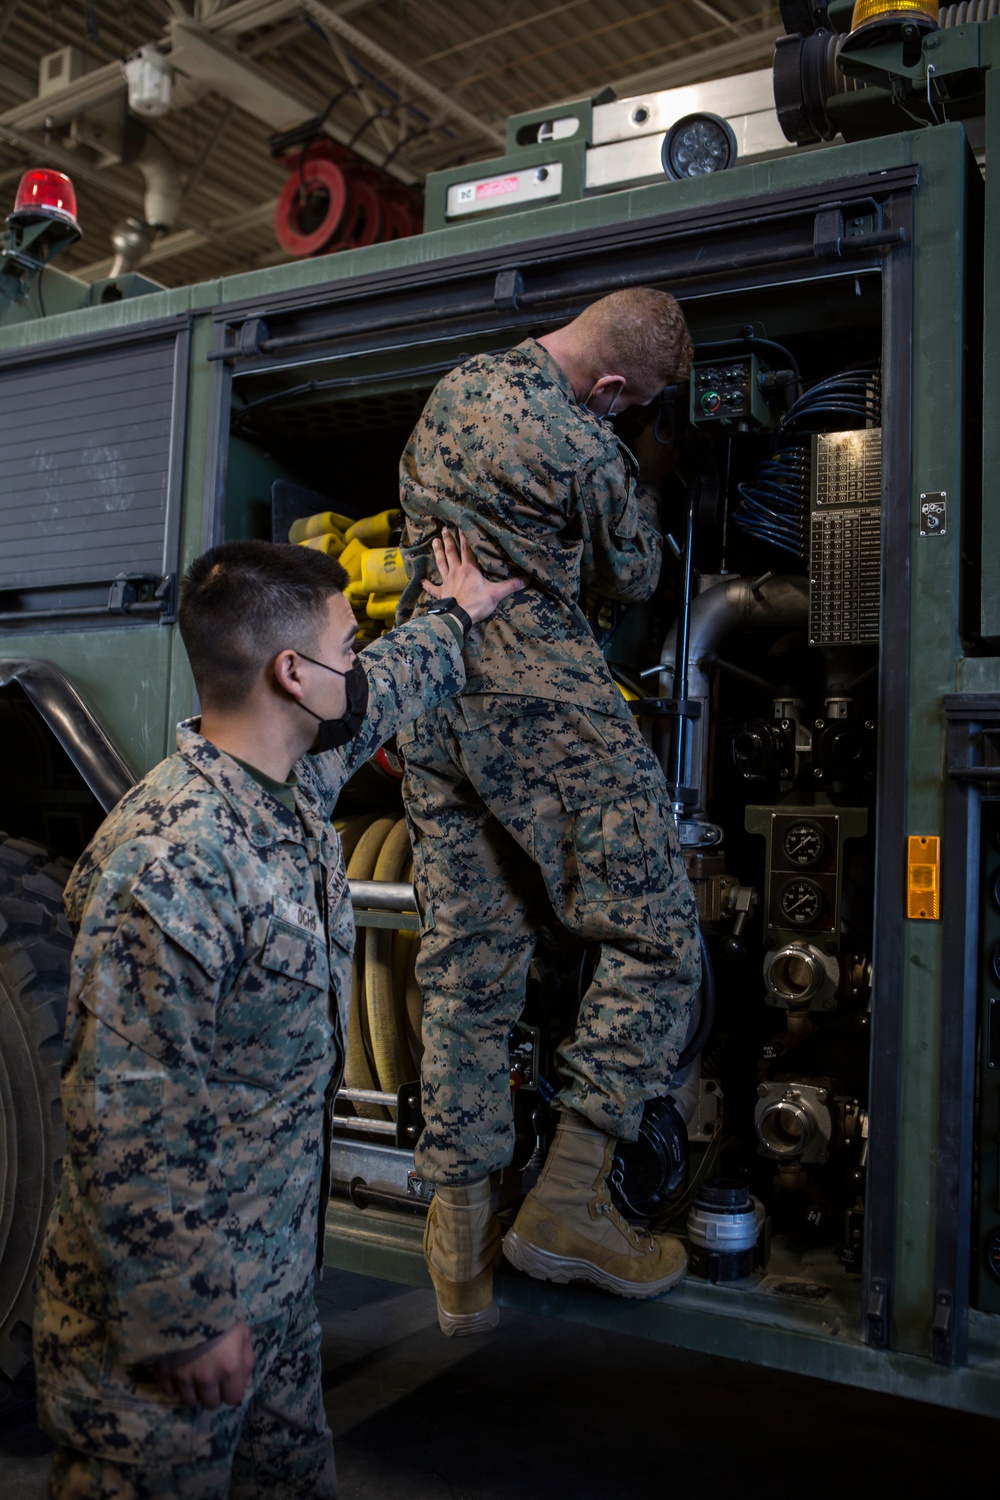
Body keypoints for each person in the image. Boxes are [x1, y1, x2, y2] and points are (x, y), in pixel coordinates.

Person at [32, 532, 520, 1499]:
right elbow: (127, 1116)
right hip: (168, 1336)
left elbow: (383, 685)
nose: (357, 658)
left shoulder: (293, 783)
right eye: (345, 642)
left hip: (276, 1299)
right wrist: (187, 1318)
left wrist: (458, 613)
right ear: (292, 674)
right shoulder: (166, 865)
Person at [395, 286, 703, 1336]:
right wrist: (644, 486)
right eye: (634, 402)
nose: (626, 414)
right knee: (658, 940)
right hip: (542, 702)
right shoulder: (586, 447)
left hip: (434, 700)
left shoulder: (456, 390)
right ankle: (566, 1206)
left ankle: (462, 1252)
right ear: (612, 387)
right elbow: (633, 577)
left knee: (469, 960)